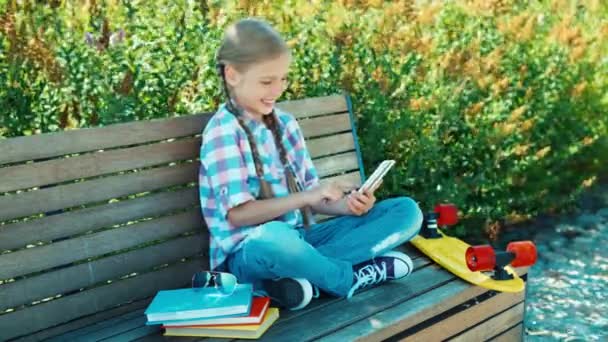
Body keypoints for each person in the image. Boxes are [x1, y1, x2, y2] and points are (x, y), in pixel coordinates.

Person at [198, 18, 423, 311]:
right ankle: (348, 278)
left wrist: (347, 206)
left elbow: (315, 203)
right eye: (267, 81)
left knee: (406, 211)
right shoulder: (223, 133)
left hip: (303, 243)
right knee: (274, 238)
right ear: (232, 75)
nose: (277, 90)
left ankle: (303, 279)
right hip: (249, 255)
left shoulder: (286, 126)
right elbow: (239, 216)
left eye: (283, 79)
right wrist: (310, 196)